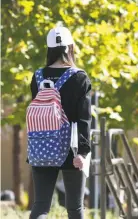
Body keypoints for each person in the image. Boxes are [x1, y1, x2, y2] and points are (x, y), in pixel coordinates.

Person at [27, 26, 92, 219]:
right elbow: (83, 119)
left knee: (40, 206)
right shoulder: (79, 77)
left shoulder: (38, 77)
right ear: (70, 48)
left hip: (40, 146)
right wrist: (83, 151)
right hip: (71, 148)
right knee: (75, 208)